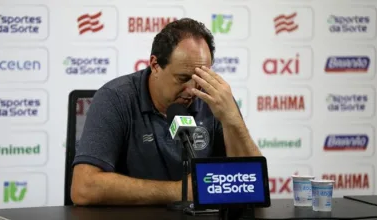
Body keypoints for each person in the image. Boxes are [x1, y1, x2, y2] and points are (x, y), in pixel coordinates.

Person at [71, 18, 262, 206]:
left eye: (200, 78)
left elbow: (254, 186)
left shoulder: (215, 100)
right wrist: (181, 191)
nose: (192, 90)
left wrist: (232, 120)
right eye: (183, 78)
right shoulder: (116, 98)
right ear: (155, 65)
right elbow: (83, 188)